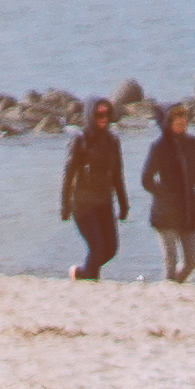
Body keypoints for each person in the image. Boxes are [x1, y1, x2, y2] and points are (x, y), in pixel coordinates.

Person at [141, 100, 195, 282]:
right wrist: (164, 195)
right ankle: (169, 294)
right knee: (171, 261)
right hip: (165, 212)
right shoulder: (158, 146)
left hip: (188, 209)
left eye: (184, 120)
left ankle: (174, 286)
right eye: (177, 122)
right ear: (168, 123)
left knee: (192, 260)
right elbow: (146, 179)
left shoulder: (193, 143)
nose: (182, 124)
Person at [59, 98, 130, 281]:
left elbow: (117, 176)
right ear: (90, 115)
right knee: (97, 247)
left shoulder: (113, 141)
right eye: (99, 114)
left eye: (107, 114)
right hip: (82, 205)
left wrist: (124, 204)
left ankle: (81, 273)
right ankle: (89, 278)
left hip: (105, 202)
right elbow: (68, 176)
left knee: (111, 249)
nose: (104, 118)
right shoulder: (80, 140)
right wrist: (65, 206)